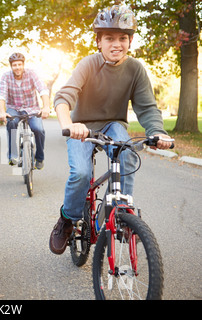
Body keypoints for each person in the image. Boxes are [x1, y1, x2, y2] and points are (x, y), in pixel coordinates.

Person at [49, 4, 173, 255]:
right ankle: (67, 219)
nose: (117, 44)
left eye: (123, 38)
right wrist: (69, 126)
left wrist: (157, 132)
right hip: (82, 126)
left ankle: (121, 212)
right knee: (81, 174)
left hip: (113, 125)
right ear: (98, 42)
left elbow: (147, 108)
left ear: (129, 41)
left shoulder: (135, 69)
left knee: (127, 153)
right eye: (109, 38)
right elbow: (64, 98)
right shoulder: (87, 64)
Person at [0, 53, 50, 169]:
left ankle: (39, 158)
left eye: (20, 64)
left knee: (38, 129)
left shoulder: (31, 74)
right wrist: (2, 111)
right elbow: (1, 95)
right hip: (14, 108)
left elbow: (43, 89)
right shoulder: (6, 76)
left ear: (23, 65)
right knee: (12, 123)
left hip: (32, 109)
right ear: (11, 66)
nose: (17, 67)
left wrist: (46, 107)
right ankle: (13, 155)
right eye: (14, 65)